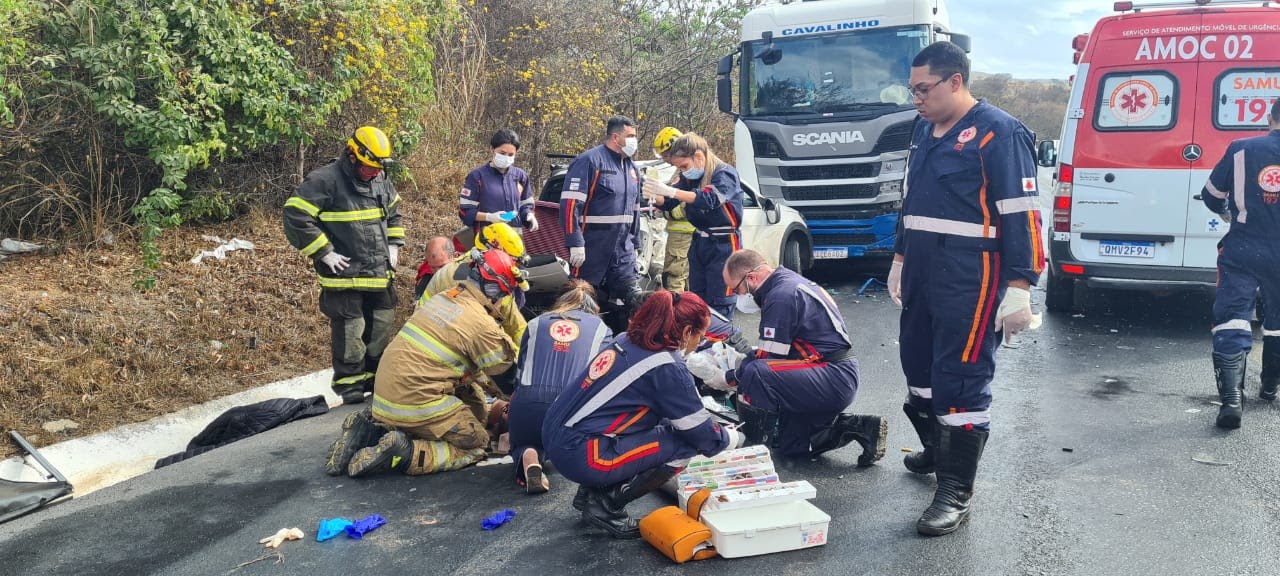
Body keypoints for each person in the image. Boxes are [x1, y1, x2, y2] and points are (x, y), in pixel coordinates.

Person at [887, 41, 1043, 536]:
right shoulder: (922, 130)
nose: (916, 98)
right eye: (911, 90)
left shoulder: (999, 132)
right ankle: (936, 448)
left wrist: (1021, 285)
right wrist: (898, 256)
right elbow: (911, 200)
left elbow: (1022, 214)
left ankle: (955, 491)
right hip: (921, 272)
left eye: (923, 88)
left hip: (971, 278)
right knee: (918, 371)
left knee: (960, 381)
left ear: (956, 81)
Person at [542, 291, 742, 539]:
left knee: (659, 423)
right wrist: (729, 438)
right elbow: (701, 435)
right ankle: (606, 506)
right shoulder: (666, 367)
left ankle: (592, 491)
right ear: (687, 331)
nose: (699, 343)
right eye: (700, 336)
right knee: (684, 444)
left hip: (557, 436)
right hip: (582, 454)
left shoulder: (628, 340)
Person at [339, 249, 524, 478]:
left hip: (385, 395)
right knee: (476, 440)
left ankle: (374, 431)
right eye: (505, 294)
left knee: (474, 403)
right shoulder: (482, 326)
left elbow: (475, 371)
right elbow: (508, 382)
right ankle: (408, 453)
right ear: (495, 290)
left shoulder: (445, 297)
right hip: (415, 400)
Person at [692, 249, 884, 465]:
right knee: (791, 447)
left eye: (735, 289)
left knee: (756, 374)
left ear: (751, 278)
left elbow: (768, 360)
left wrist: (728, 377)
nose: (738, 296)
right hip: (825, 373)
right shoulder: (787, 284)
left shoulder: (780, 296)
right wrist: (743, 362)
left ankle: (754, 449)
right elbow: (774, 352)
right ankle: (858, 427)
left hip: (830, 375)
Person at [283, 126, 404, 405]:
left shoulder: (380, 178)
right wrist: (324, 252)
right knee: (352, 329)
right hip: (344, 273)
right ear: (352, 155)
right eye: (368, 168)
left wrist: (394, 246)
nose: (373, 173)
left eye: (377, 169)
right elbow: (295, 215)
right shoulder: (326, 180)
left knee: (383, 323)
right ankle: (350, 384)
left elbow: (394, 213)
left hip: (378, 271)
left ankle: (375, 378)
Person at [1201, 99, 1280, 429]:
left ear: (1270, 118)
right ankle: (1270, 386)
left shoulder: (1240, 149)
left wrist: (1230, 213)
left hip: (1244, 247)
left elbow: (1211, 195)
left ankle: (1232, 399)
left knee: (1233, 317)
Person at [508, 280, 612, 494]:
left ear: (560, 300)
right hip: (570, 407)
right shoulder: (601, 329)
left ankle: (528, 454)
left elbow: (520, 372)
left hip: (528, 403)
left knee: (525, 440)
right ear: (594, 305)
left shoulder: (536, 323)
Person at [644, 133, 744, 319]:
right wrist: (653, 194)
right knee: (696, 299)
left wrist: (671, 191)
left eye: (684, 166)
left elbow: (710, 199)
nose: (683, 172)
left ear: (699, 156)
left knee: (720, 300)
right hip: (699, 241)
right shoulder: (690, 178)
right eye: (679, 168)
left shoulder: (724, 173)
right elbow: (669, 202)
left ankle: (721, 340)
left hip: (724, 243)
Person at [560, 115, 646, 326]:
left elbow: (635, 211)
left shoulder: (632, 169)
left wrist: (636, 244)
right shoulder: (590, 161)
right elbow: (570, 205)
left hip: (623, 253)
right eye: (631, 136)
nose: (635, 140)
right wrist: (575, 242)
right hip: (592, 250)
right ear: (616, 137)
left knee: (627, 307)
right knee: (583, 305)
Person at [422, 222, 529, 355]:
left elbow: (515, 324)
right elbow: (479, 336)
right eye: (509, 261)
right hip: (439, 345)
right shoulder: (459, 278)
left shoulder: (495, 277)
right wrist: (517, 359)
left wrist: (530, 351)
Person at [458, 128, 537, 235]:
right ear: (492, 149)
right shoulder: (477, 177)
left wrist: (529, 215)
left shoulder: (520, 177)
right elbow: (465, 212)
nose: (506, 158)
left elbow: (526, 206)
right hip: (486, 240)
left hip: (514, 241)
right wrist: (489, 217)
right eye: (502, 153)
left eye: (510, 155)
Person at [651, 127, 696, 291]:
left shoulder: (687, 172)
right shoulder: (684, 171)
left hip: (682, 236)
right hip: (685, 235)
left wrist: (663, 210)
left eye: (666, 155)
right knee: (687, 278)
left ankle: (677, 313)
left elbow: (680, 207)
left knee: (674, 276)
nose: (665, 160)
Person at [414, 236, 455, 302]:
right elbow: (420, 307)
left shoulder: (468, 272)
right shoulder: (425, 281)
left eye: (441, 267)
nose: (437, 272)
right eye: (433, 267)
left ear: (455, 256)